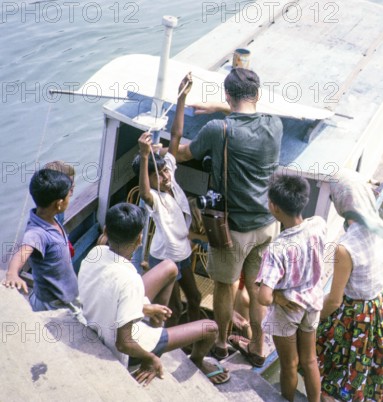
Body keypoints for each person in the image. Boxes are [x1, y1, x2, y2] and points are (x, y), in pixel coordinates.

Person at [177, 68, 282, 364]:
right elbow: (250, 112)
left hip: (232, 230)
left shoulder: (217, 130)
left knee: (225, 287)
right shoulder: (275, 125)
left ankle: (222, 343)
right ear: (257, 96)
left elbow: (184, 154)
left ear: (227, 95)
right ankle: (259, 347)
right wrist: (223, 107)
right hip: (267, 225)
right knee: (256, 289)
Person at [78, 203, 229, 386]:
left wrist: (145, 308)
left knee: (170, 267)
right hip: (130, 344)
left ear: (106, 231)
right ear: (140, 239)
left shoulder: (95, 253)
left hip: (96, 320)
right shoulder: (130, 280)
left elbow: (107, 292)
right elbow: (123, 343)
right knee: (211, 327)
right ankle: (195, 360)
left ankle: (158, 325)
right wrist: (150, 359)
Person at [316, 170, 383, 402]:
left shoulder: (345, 247)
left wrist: (313, 320)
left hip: (356, 317)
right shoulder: (382, 228)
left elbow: (335, 300)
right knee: (365, 371)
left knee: (330, 375)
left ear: (341, 203)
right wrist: (374, 284)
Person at [131, 73, 203, 327]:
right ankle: (171, 345)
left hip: (182, 254)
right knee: (170, 308)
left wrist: (181, 97)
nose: (165, 176)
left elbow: (175, 136)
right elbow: (143, 192)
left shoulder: (168, 173)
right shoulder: (154, 198)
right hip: (165, 258)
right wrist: (143, 155)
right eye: (157, 174)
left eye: (164, 170)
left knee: (195, 297)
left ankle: (193, 341)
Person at [252, 175, 325, 402]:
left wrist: (280, 299)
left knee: (289, 364)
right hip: (312, 303)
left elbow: (264, 297)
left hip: (288, 311)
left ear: (274, 207)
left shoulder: (277, 248)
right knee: (310, 360)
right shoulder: (318, 225)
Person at [2, 168, 80, 315]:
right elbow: (23, 252)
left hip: (62, 294)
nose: (71, 195)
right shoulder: (37, 233)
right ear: (59, 203)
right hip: (55, 304)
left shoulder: (49, 218)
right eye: (68, 194)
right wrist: (12, 273)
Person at [43, 160, 75, 225]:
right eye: (70, 182)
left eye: (73, 180)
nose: (74, 185)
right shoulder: (49, 215)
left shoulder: (59, 207)